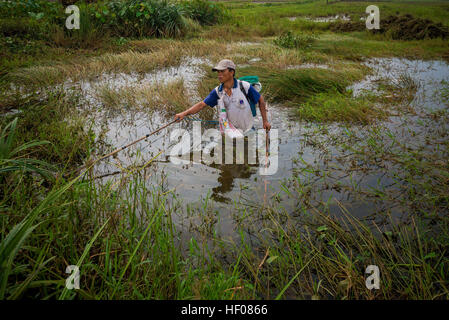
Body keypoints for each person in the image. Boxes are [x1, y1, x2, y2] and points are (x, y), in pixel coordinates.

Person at [174, 59, 271, 133]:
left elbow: (261, 100)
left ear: (231, 72)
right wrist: (184, 113)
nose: (219, 75)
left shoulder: (244, 86)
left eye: (222, 71)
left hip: (248, 130)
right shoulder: (217, 92)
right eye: (218, 72)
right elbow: (201, 105)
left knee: (248, 156)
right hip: (229, 132)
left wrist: (265, 121)